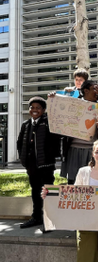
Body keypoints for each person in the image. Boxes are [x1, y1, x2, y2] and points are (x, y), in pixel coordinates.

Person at [17, 96, 60, 229]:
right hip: (31, 164)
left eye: (38, 108)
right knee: (35, 191)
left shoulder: (48, 123)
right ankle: (36, 217)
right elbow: (19, 143)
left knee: (47, 191)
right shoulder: (26, 124)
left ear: (44, 110)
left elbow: (55, 142)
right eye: (32, 107)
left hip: (45, 164)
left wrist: (49, 155)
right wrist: (24, 159)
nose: (35, 110)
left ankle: (50, 220)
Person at [60, 80, 98, 184]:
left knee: (92, 181)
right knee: (74, 181)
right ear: (85, 90)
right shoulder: (73, 103)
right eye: (95, 89)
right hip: (73, 149)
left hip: (92, 150)